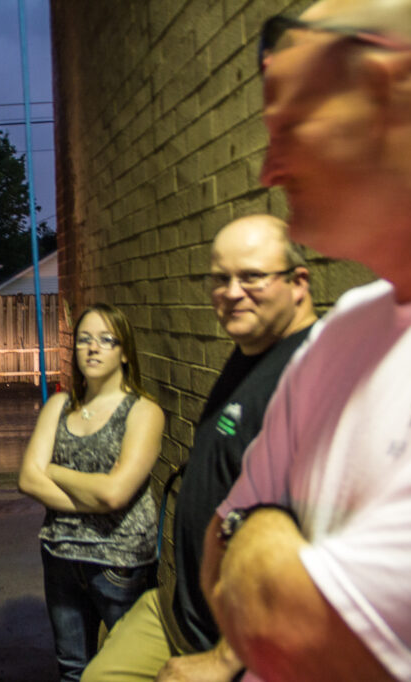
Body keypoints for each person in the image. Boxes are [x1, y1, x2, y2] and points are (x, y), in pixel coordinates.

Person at [202, 2, 411, 680]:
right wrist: (266, 553)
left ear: (383, 90)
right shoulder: (345, 328)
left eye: (289, 127)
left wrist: (266, 527)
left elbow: (283, 626)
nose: (269, 170)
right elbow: (218, 549)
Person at [81, 215, 317, 682]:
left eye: (251, 276)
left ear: (298, 283)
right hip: (182, 610)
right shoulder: (252, 347)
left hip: (237, 642)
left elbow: (312, 539)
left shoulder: (309, 373)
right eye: (220, 278)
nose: (232, 291)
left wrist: (227, 657)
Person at [18, 302, 166, 681]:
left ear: (124, 352)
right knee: (72, 671)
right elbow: (27, 480)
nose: (93, 348)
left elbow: (116, 494)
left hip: (120, 563)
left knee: (131, 672)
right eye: (84, 339)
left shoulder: (143, 412)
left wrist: (52, 469)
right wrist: (94, 498)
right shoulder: (59, 405)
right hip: (60, 555)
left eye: (105, 339)